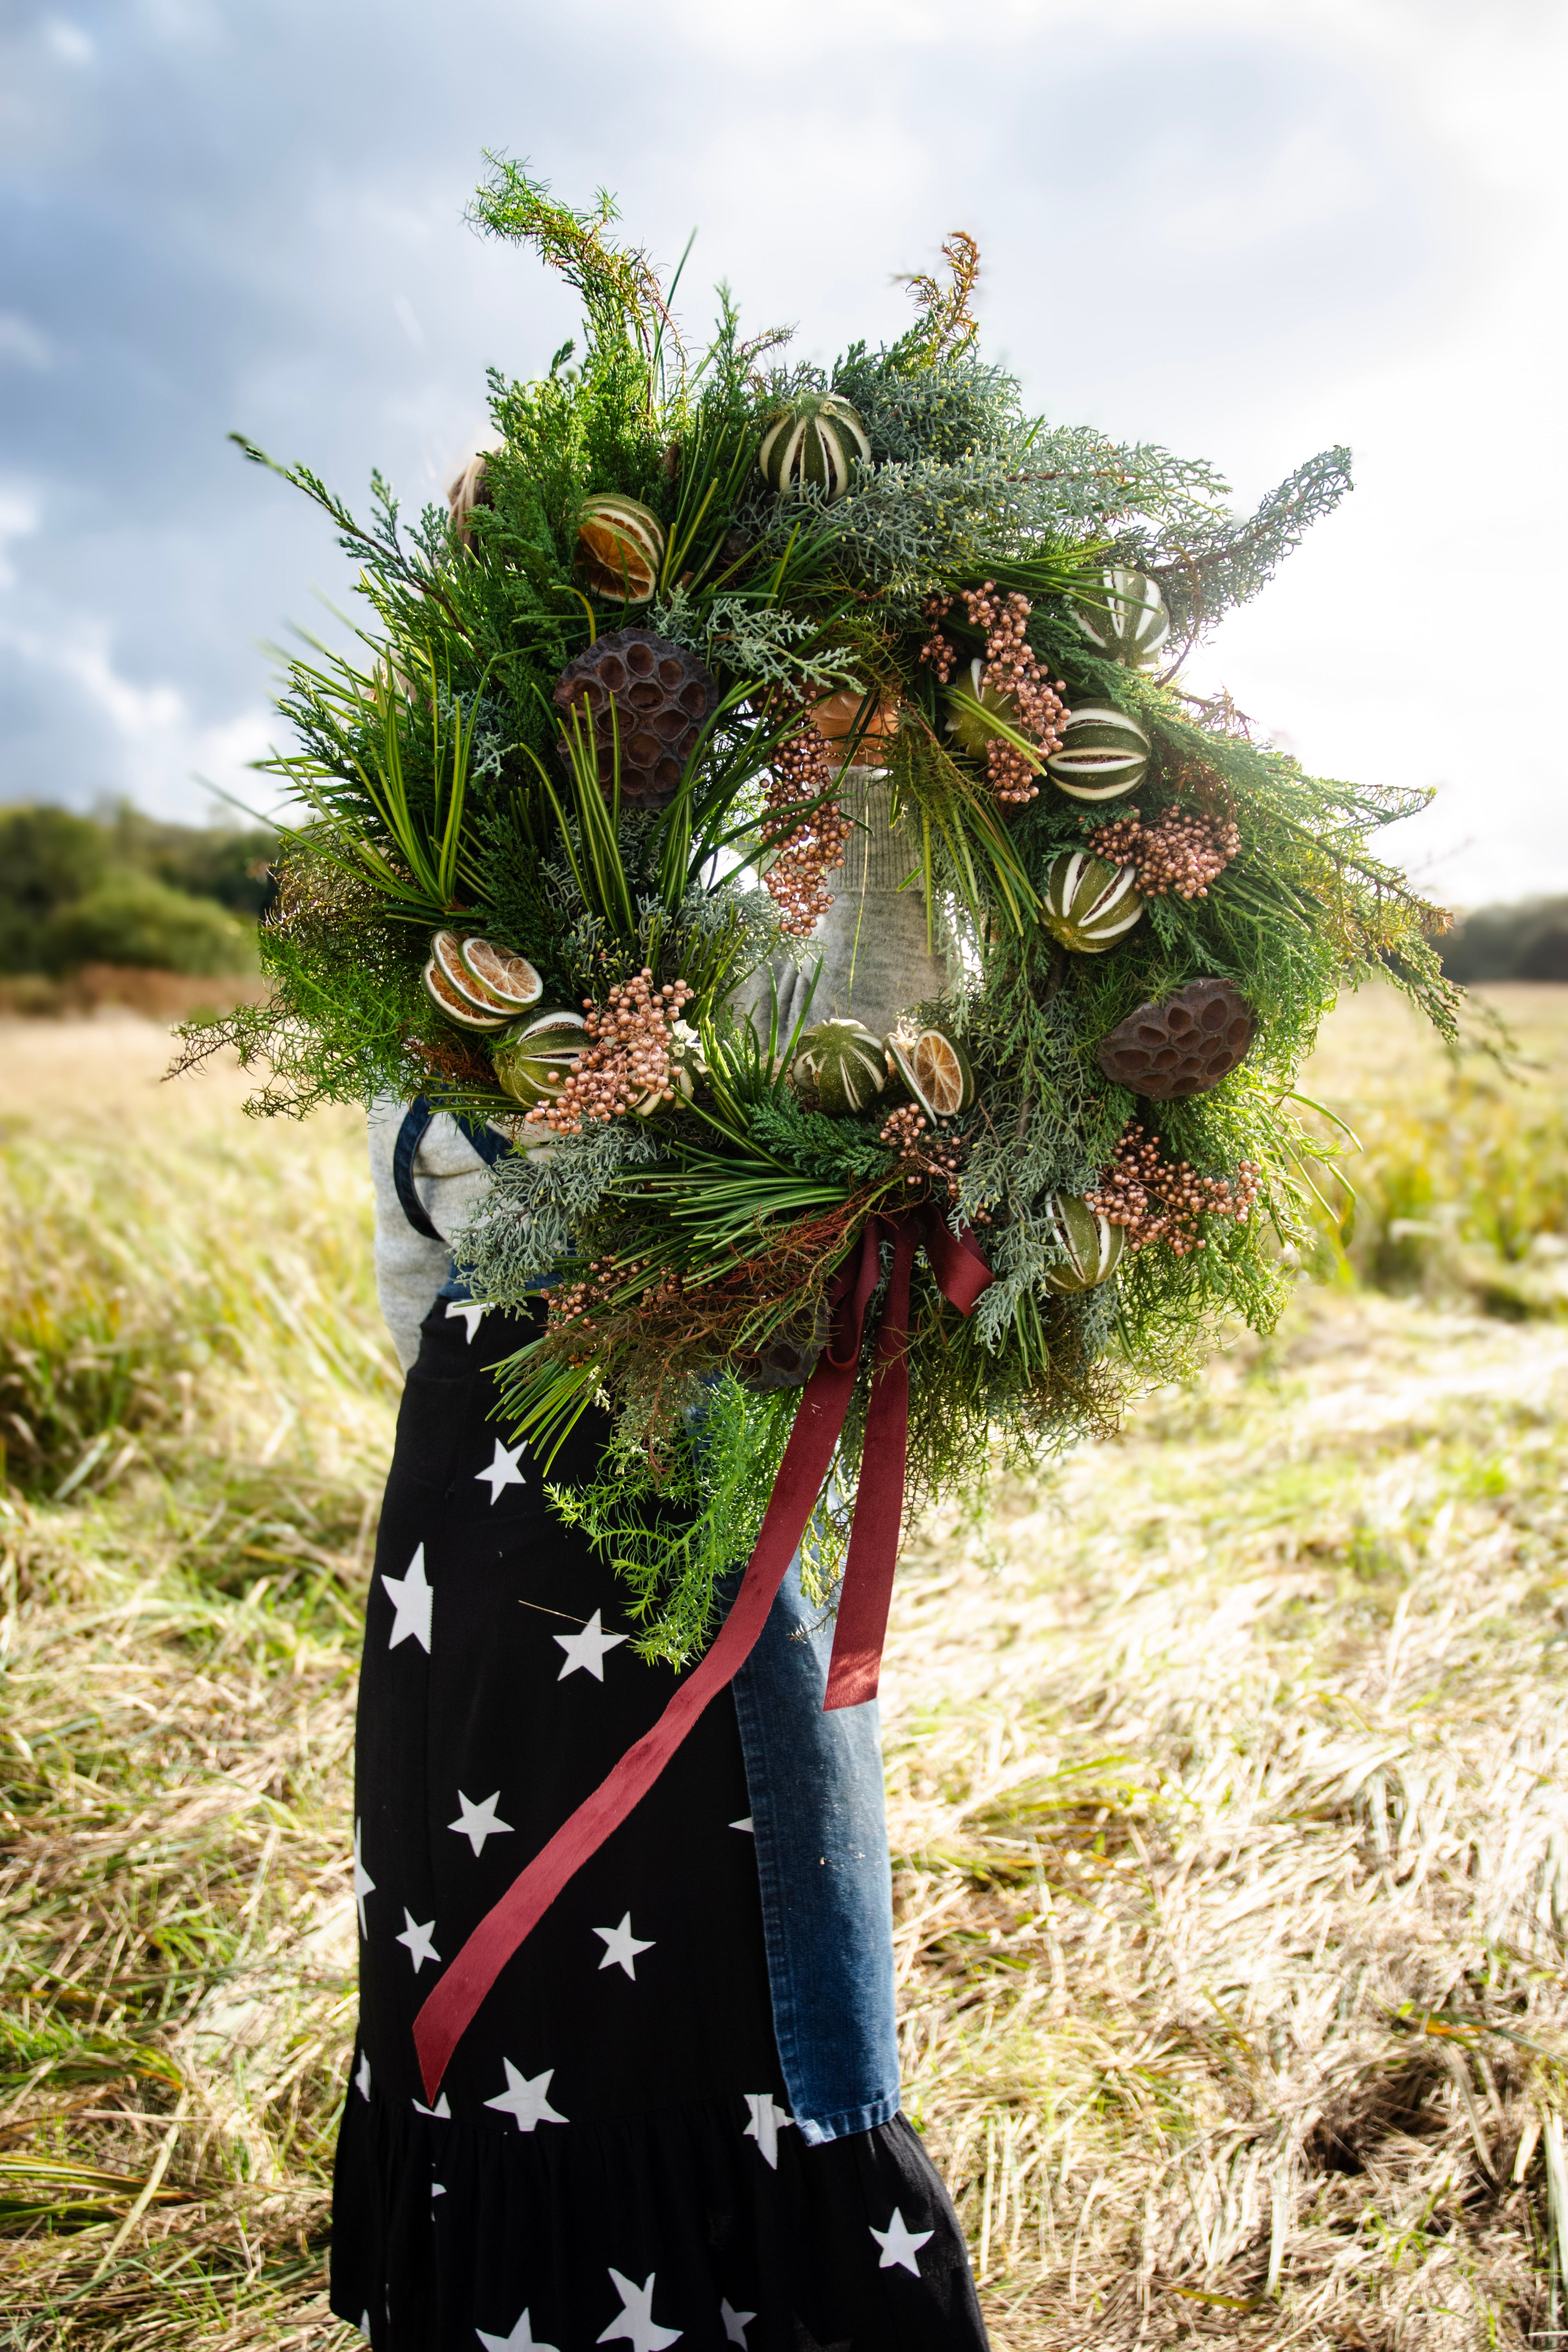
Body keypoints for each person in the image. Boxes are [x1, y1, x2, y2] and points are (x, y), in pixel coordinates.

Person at [329, 764, 991, 2350]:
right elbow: (420, 1299)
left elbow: (416, 1304)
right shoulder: (496, 1008)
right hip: (545, 1591)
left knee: (693, 1963)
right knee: (636, 1977)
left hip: (568, 1579)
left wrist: (881, 780)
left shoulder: (601, 971)